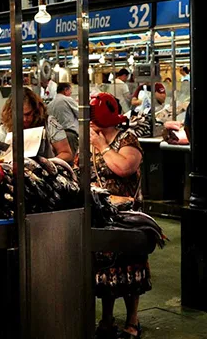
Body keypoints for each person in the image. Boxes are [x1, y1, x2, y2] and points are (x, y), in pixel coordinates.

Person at [90, 93, 149, 339]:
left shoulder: (127, 138)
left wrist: (102, 147)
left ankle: (132, 320)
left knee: (130, 267)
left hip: (128, 217)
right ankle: (106, 318)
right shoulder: (90, 141)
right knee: (105, 271)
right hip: (102, 214)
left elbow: (124, 168)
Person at [0, 88, 73, 163]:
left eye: (28, 114)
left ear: (35, 110)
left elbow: (66, 154)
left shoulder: (49, 123)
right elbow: (0, 156)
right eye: (20, 116)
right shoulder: (5, 127)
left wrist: (47, 164)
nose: (25, 119)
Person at [47, 82, 79, 158]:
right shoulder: (67, 99)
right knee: (70, 161)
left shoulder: (50, 104)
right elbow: (81, 114)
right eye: (70, 91)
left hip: (55, 139)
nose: (71, 93)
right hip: (69, 135)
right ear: (65, 90)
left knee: (60, 163)